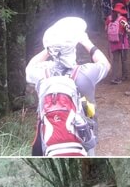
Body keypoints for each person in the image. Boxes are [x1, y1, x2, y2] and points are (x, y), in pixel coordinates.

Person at [26, 17, 111, 155]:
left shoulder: (42, 74)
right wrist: (86, 42)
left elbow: (29, 68)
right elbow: (105, 65)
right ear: (73, 48)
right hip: (83, 138)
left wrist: (49, 48)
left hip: (50, 140)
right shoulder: (85, 73)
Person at [105, 3, 129, 84]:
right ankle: (124, 75)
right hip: (122, 41)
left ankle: (114, 77)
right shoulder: (122, 19)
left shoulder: (109, 18)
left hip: (112, 42)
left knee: (115, 60)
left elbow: (106, 29)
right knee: (124, 59)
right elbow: (127, 29)